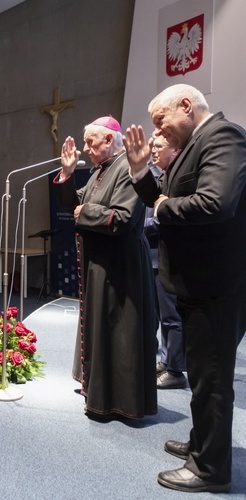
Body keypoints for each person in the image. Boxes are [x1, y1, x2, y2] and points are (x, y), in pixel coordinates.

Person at [124, 84, 246, 493]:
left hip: (217, 285)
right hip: (198, 284)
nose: (157, 133)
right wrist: (141, 172)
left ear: (187, 107)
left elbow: (216, 202)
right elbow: (163, 197)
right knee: (200, 375)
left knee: (212, 380)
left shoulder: (223, 137)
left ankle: (211, 469)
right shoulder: (196, 145)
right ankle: (201, 444)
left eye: (161, 123)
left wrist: (161, 207)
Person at [55, 115, 157, 420]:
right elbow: (72, 204)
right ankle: (98, 389)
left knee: (118, 331)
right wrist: (68, 172)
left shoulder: (127, 168)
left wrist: (85, 212)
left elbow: (122, 218)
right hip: (101, 263)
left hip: (121, 265)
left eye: (90, 142)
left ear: (109, 140)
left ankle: (117, 401)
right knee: (102, 327)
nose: (85, 149)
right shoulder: (102, 172)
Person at [143, 136, 185, 390]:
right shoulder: (153, 176)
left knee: (172, 317)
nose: (154, 150)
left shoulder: (175, 178)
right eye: (153, 146)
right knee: (156, 316)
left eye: (160, 146)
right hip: (149, 256)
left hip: (166, 257)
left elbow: (164, 217)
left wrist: (143, 225)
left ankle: (175, 370)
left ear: (175, 149)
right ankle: (164, 359)